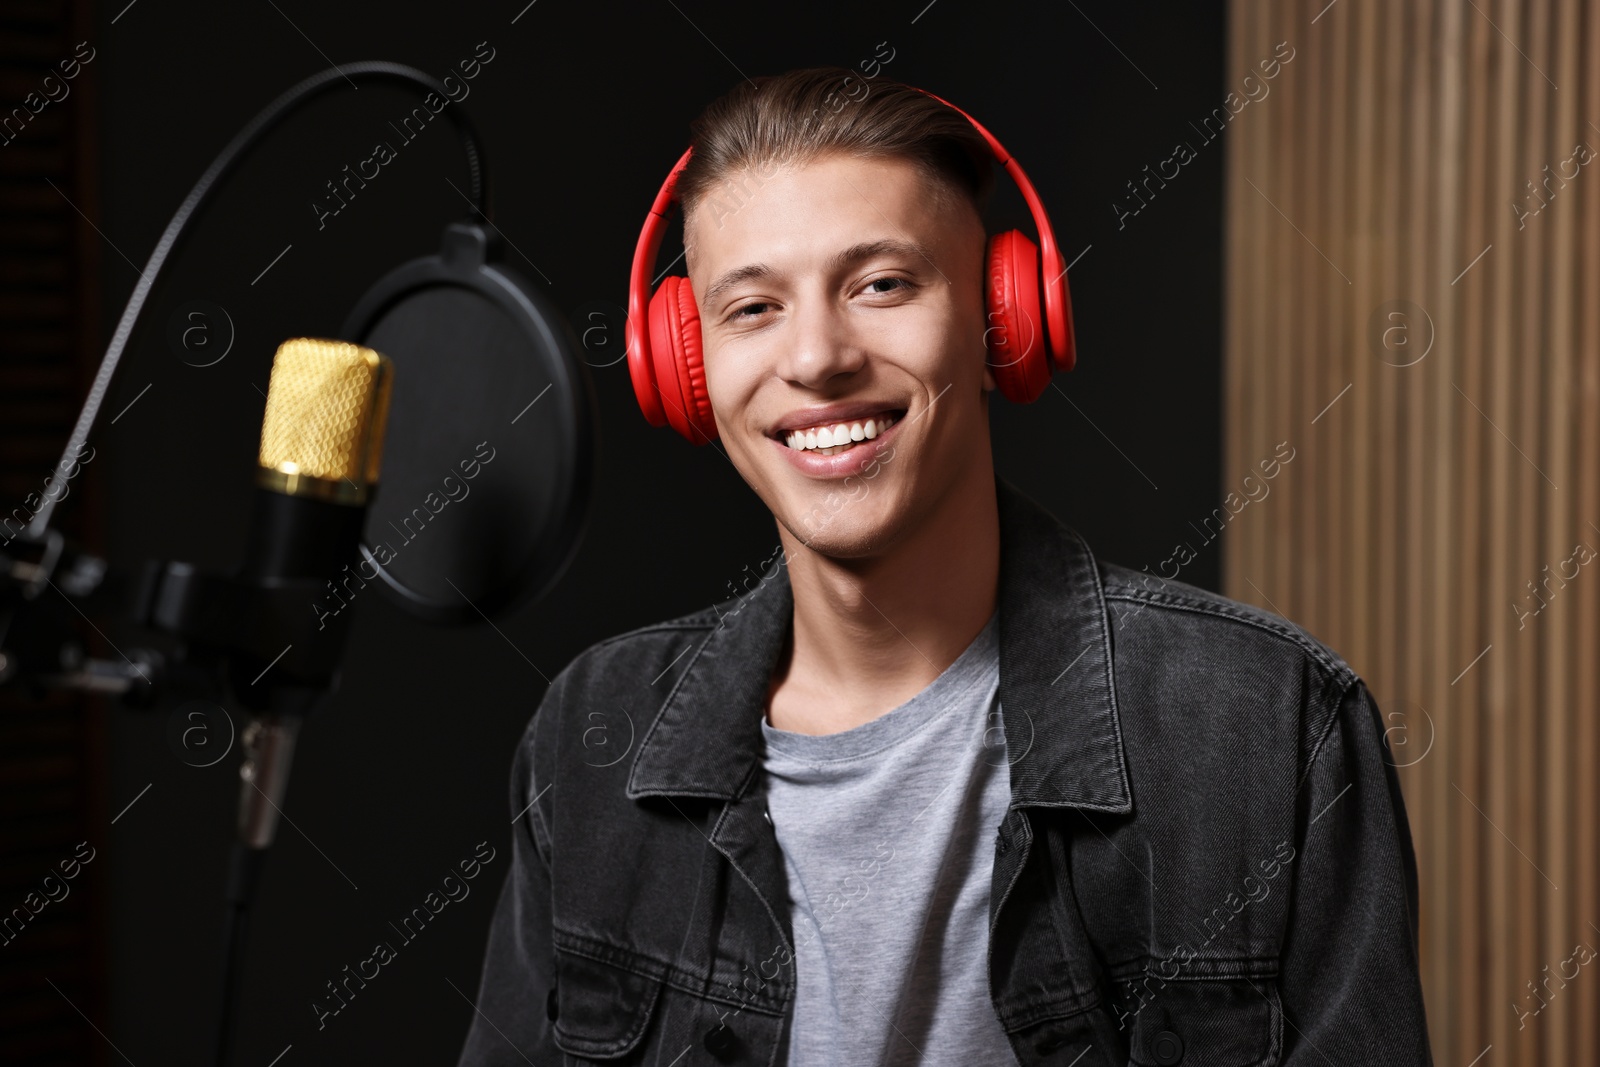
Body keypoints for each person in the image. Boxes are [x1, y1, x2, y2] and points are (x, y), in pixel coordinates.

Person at [457, 66, 1433, 1066]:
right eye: (751, 308)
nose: (818, 357)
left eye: (880, 284)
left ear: (1001, 320)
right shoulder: (591, 740)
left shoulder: (1264, 726)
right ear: (685, 369)